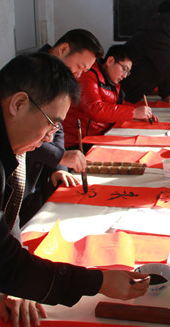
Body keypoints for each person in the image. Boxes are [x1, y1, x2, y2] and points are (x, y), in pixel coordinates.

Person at [0, 53, 150, 327]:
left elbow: (0, 214)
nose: (49, 138)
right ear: (19, 103)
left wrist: (19, 281)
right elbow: (1, 263)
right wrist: (99, 282)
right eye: (50, 124)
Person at [19, 29, 105, 226]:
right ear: (64, 48)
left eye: (85, 71)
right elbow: (21, 132)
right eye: (79, 66)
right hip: (15, 171)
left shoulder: (58, 76)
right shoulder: (30, 73)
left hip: (34, 175)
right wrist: (60, 156)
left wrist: (58, 167)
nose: (79, 74)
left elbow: (57, 125)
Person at [62, 44, 157, 149]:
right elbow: (94, 109)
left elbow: (117, 105)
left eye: (128, 72)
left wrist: (140, 112)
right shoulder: (88, 75)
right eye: (124, 69)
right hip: (78, 143)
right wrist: (133, 113)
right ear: (110, 61)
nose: (125, 75)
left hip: (100, 136)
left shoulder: (111, 81)